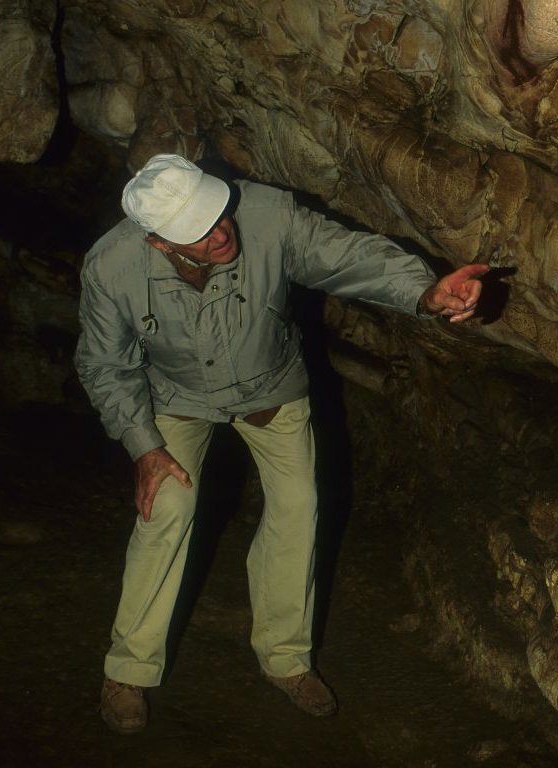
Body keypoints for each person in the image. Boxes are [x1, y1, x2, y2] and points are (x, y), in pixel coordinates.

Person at [75, 153, 486, 734]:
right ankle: (128, 672)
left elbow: (347, 256)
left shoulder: (266, 214)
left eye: (219, 214)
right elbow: (106, 366)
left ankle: (286, 659)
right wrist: (145, 447)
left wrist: (423, 293)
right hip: (175, 397)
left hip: (270, 385)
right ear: (162, 244)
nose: (222, 232)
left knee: (297, 505)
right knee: (166, 506)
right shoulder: (111, 267)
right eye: (201, 231)